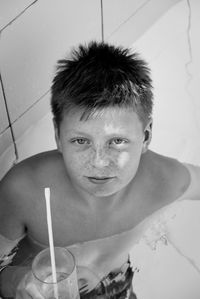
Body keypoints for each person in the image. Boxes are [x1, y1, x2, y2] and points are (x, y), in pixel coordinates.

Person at [0, 41, 200, 299]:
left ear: (146, 135)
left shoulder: (163, 181)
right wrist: (16, 282)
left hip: (115, 284)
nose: (99, 162)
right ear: (58, 136)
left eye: (117, 141)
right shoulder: (24, 191)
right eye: (81, 141)